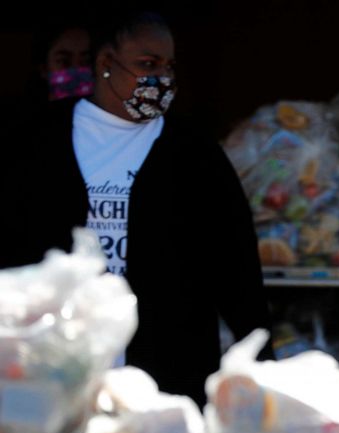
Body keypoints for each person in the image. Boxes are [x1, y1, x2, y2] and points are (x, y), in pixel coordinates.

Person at [0, 10, 270, 407]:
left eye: (168, 66)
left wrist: (260, 362)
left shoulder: (193, 152)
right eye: (147, 64)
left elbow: (235, 265)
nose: (161, 78)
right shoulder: (36, 142)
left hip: (166, 365)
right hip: (56, 361)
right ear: (106, 64)